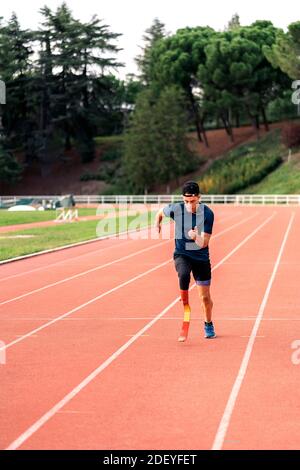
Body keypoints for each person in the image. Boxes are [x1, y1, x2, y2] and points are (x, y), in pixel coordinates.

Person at [155, 181, 215, 342]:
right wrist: (158, 223)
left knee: (205, 298)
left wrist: (196, 236)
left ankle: (208, 323)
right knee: (183, 274)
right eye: (186, 201)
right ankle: (185, 300)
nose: (189, 205)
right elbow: (160, 212)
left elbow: (205, 243)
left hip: (201, 258)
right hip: (182, 254)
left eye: (193, 201)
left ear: (199, 198)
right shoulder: (176, 209)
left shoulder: (208, 214)